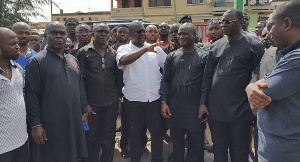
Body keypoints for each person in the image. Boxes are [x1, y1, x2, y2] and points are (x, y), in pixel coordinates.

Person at [200, 9, 264, 162]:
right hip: (216, 110)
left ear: (241, 22)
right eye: (222, 21)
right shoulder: (216, 46)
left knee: (239, 151)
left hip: (240, 110)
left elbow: (259, 74)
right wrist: (203, 103)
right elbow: (207, 76)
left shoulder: (254, 46)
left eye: (227, 21)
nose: (223, 25)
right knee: (219, 150)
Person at [25, 21, 88, 162]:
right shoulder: (37, 61)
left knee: (73, 153)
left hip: (73, 118)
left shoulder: (72, 59)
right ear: (46, 35)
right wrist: (36, 124)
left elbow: (79, 87)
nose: (59, 36)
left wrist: (83, 111)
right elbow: (32, 96)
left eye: (62, 33)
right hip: (51, 122)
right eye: (54, 33)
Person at [246, 1, 300, 161]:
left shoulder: (296, 59)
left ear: (287, 23)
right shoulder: (285, 54)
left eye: (271, 26)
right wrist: (251, 87)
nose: (268, 33)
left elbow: (261, 94)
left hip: (285, 151)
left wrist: (250, 87)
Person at [116, 21, 166, 162]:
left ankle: (157, 159)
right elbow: (123, 61)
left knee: (156, 132)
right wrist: (145, 49)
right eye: (139, 32)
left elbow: (167, 65)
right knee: (135, 133)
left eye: (143, 31)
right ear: (130, 34)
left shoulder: (156, 49)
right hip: (133, 100)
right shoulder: (124, 49)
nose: (142, 34)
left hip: (154, 99)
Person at [160, 23, 208, 162]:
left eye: (185, 34)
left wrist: (204, 103)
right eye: (179, 33)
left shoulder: (204, 56)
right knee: (177, 144)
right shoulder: (172, 56)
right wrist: (164, 101)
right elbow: (165, 79)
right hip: (175, 107)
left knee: (196, 145)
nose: (180, 36)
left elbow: (206, 83)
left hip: (195, 108)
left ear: (194, 35)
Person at [77, 23, 122, 162]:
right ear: (93, 34)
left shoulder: (114, 53)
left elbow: (118, 78)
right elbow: (80, 80)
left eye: (106, 32)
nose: (103, 34)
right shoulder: (83, 52)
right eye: (99, 31)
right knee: (92, 137)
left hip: (111, 102)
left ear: (110, 35)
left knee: (109, 136)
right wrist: (85, 105)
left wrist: (119, 99)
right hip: (92, 104)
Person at [0, 27, 29, 162]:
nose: (18, 47)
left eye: (17, 43)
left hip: (21, 140)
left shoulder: (18, 70)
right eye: (12, 44)